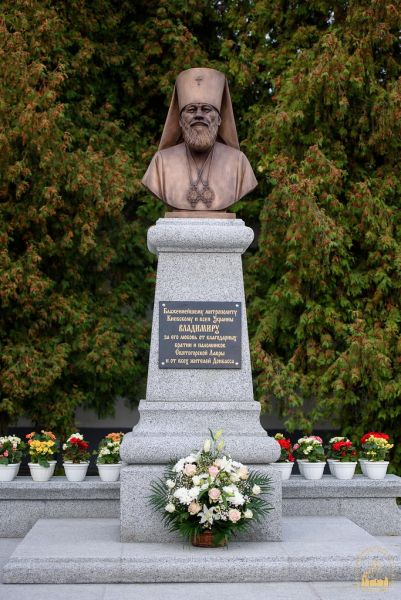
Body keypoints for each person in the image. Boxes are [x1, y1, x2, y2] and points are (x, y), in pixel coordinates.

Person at [142, 67, 257, 212]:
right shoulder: (161, 162)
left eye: (206, 109)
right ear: (179, 120)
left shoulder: (239, 163)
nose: (199, 115)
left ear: (220, 119)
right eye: (191, 110)